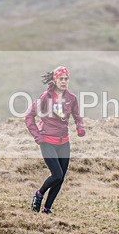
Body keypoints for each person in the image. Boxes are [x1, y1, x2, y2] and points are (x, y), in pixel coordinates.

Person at [25, 66, 85, 214]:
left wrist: (80, 127)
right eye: (61, 79)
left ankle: (47, 208)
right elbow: (29, 116)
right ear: (55, 80)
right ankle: (39, 194)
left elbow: (78, 116)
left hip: (64, 142)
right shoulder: (45, 96)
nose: (64, 81)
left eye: (66, 79)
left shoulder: (71, 98)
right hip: (47, 141)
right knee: (56, 174)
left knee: (61, 178)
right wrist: (37, 136)